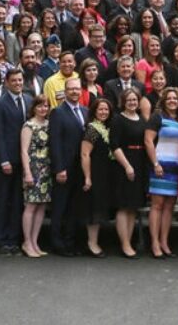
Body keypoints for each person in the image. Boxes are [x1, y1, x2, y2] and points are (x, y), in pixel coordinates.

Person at [0, 69, 32, 255]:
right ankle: (1, 239)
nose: (17, 83)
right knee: (3, 200)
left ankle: (14, 238)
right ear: (6, 82)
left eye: (20, 80)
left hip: (25, 160)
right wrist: (3, 160)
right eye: (13, 80)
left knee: (18, 201)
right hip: (8, 161)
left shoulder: (30, 100)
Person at [49, 78, 88, 256]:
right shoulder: (58, 112)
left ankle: (70, 241)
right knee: (60, 207)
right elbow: (55, 142)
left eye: (77, 89)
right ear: (65, 91)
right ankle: (57, 243)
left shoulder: (86, 111)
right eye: (71, 89)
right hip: (64, 168)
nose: (74, 92)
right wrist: (59, 168)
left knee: (75, 207)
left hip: (80, 169)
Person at [146, 87, 178, 258]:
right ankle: (154, 242)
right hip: (160, 167)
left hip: (176, 169)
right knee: (157, 205)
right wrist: (155, 163)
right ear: (163, 101)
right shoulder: (157, 117)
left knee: (169, 206)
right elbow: (148, 141)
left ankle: (164, 242)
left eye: (175, 99)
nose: (172, 101)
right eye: (169, 98)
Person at [109, 89, 148, 258]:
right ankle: (124, 244)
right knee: (124, 206)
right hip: (125, 163)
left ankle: (129, 241)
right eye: (129, 100)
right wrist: (127, 166)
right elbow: (114, 145)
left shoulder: (142, 119)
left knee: (133, 206)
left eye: (135, 99)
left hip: (140, 162)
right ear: (123, 102)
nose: (132, 102)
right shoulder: (118, 119)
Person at [79, 98, 115, 257]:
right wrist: (87, 177)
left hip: (105, 173)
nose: (103, 112)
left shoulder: (106, 128)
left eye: (106, 110)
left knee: (99, 208)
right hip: (94, 173)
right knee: (93, 210)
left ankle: (95, 241)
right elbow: (85, 154)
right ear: (94, 111)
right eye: (100, 109)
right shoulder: (92, 129)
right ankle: (91, 243)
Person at [19, 95, 53, 258]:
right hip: (33, 170)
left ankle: (34, 241)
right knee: (31, 206)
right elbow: (24, 151)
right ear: (34, 108)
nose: (43, 109)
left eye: (46, 106)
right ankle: (26, 242)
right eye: (40, 106)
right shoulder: (28, 126)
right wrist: (27, 173)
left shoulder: (49, 125)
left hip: (46, 170)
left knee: (41, 207)